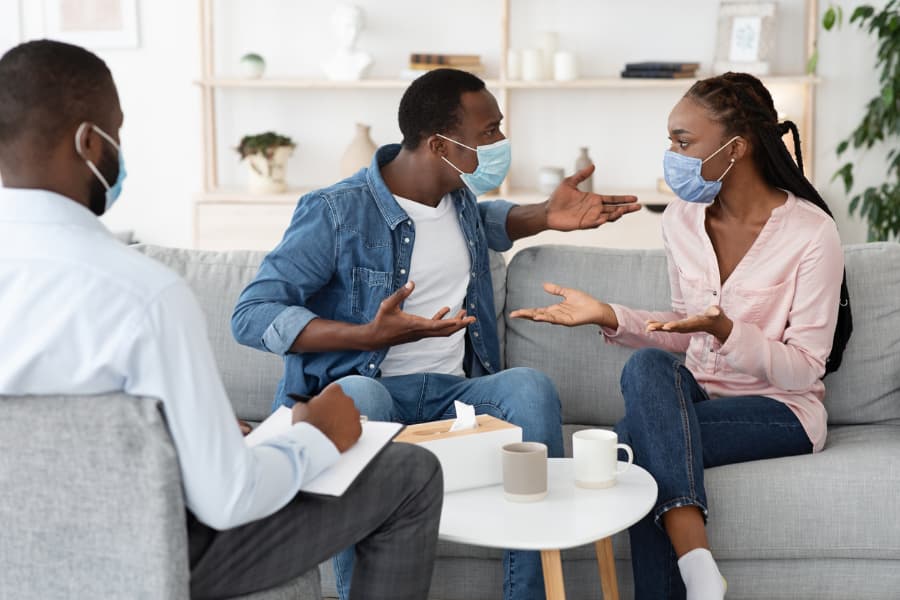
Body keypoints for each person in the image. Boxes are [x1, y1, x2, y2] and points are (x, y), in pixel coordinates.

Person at [0, 40, 442, 600]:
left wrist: (181, 437)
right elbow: (227, 498)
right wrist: (313, 437)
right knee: (409, 475)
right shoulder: (142, 294)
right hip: (141, 559)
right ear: (91, 141)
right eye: (117, 132)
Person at [231, 68, 640, 600]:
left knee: (529, 388)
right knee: (360, 394)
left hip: (452, 397)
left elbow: (489, 222)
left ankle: (528, 594)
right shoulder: (335, 211)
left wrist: (543, 214)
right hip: (372, 391)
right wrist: (365, 336)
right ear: (437, 143)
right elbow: (251, 312)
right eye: (488, 131)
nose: (500, 143)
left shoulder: (458, 199)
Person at [511, 72, 852, 600]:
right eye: (671, 140)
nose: (671, 153)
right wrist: (607, 314)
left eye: (683, 141)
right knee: (646, 369)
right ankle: (699, 571)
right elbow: (684, 331)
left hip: (780, 409)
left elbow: (806, 366)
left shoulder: (811, 232)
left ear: (735, 149)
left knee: (636, 443)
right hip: (695, 398)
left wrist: (728, 331)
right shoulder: (681, 221)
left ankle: (692, 570)